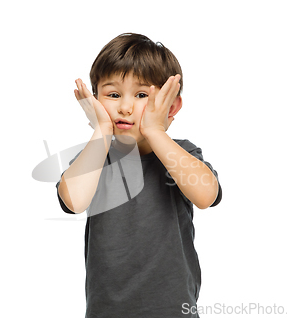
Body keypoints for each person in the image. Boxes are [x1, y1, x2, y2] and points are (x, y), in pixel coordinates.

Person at [56, 32, 222, 318]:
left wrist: (155, 131)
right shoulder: (96, 157)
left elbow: (206, 195)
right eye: (113, 95)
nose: (124, 107)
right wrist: (101, 131)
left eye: (142, 95)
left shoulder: (180, 154)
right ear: (95, 102)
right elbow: (74, 201)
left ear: (171, 107)